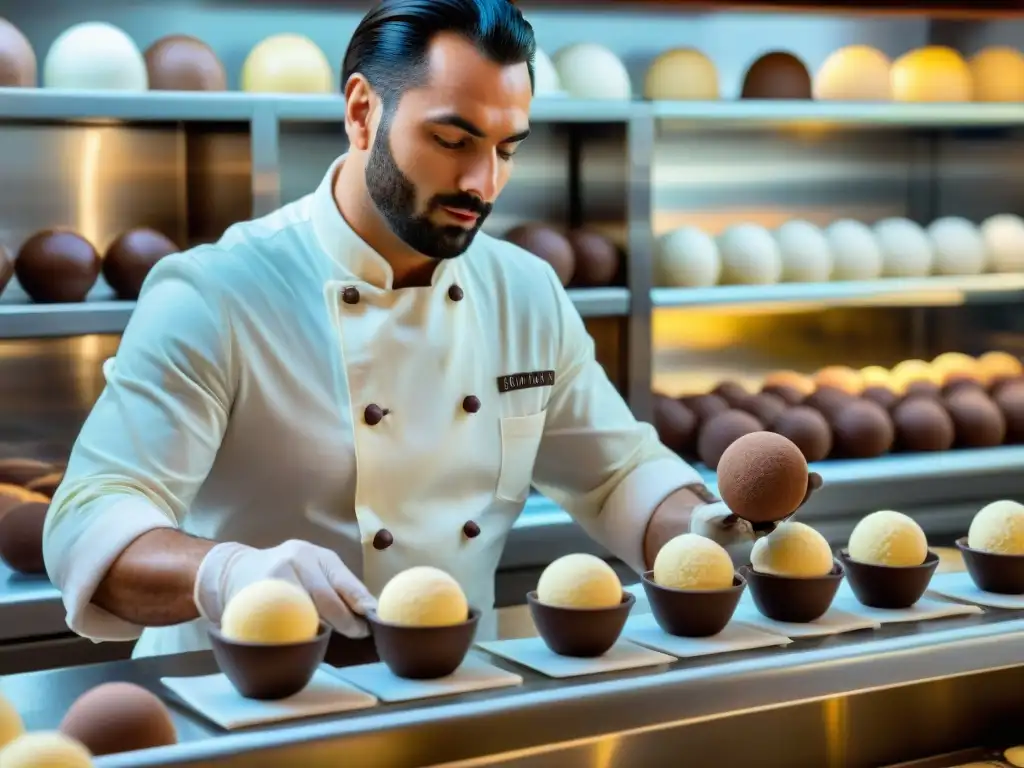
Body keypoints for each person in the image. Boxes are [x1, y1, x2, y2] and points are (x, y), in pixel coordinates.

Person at [42, 0, 817, 659]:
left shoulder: (525, 292)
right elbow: (89, 522)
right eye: (453, 141)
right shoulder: (218, 292)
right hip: (236, 703)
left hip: (446, 691)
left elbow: (615, 475)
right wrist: (227, 575)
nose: (483, 184)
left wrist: (707, 523)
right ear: (360, 112)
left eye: (507, 149)